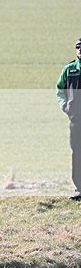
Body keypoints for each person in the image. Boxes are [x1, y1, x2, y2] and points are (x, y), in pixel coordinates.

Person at [56, 37, 81, 200]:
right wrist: (65, 106)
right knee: (77, 153)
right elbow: (60, 90)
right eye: (78, 47)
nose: (80, 50)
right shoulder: (70, 70)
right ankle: (79, 189)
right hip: (76, 119)